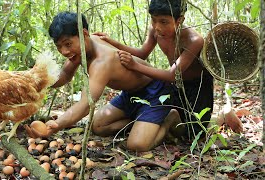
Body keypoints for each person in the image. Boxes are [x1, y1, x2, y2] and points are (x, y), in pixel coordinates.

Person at [28, 11, 184, 152]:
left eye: (68, 44)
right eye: (59, 46)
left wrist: (56, 125)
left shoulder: (101, 62)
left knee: (137, 145)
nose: (64, 51)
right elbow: (65, 74)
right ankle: (142, 122)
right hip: (131, 94)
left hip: (156, 91)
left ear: (84, 34)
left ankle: (168, 118)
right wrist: (38, 80)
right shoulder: (83, 48)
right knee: (99, 126)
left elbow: (86, 104)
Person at [94, 0, 214, 139]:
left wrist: (135, 66)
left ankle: (222, 116)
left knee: (194, 135)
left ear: (179, 20)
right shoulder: (155, 32)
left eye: (163, 22)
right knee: (169, 123)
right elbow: (142, 53)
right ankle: (146, 125)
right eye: (153, 20)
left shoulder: (193, 40)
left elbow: (172, 74)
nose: (157, 27)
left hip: (198, 87)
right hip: (174, 87)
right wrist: (113, 42)